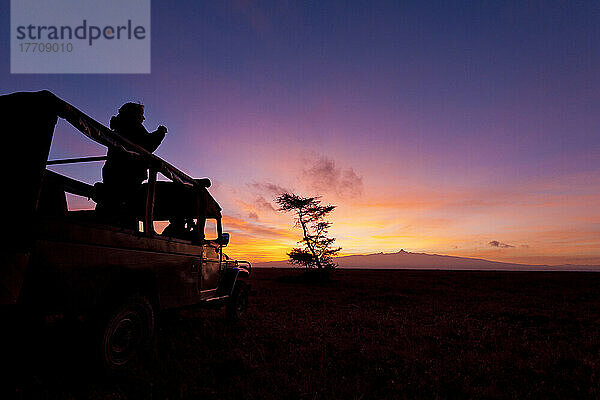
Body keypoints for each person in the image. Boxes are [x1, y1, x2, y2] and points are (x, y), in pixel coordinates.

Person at [96, 102, 167, 226]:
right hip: (129, 172)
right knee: (126, 202)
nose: (142, 118)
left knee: (111, 198)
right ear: (135, 114)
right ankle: (124, 229)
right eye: (141, 115)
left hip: (112, 169)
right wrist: (160, 133)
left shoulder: (119, 127)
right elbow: (147, 145)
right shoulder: (133, 125)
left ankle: (104, 222)